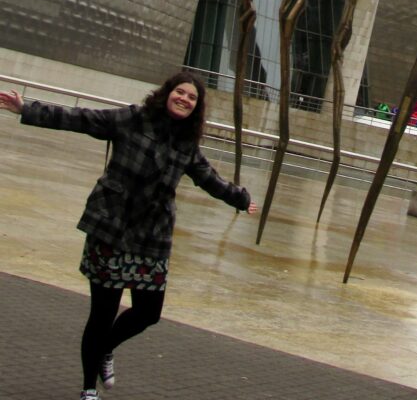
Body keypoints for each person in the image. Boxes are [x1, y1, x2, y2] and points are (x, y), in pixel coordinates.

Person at [0, 72, 258, 400]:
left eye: (192, 98)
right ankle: (88, 388)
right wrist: (27, 109)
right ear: (167, 93)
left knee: (148, 312)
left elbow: (210, 179)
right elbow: (81, 118)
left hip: (152, 236)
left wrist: (242, 199)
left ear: (197, 107)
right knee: (102, 314)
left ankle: (105, 349)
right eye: (180, 92)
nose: (184, 99)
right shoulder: (132, 119)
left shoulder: (186, 144)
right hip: (112, 227)